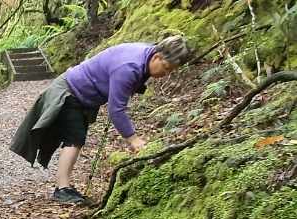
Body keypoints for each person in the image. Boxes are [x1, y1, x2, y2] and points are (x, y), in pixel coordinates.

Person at [10, 35, 192, 204]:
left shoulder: (144, 56)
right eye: (166, 68)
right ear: (157, 57)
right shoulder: (130, 66)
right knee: (75, 138)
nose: (166, 74)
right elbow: (116, 109)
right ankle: (62, 189)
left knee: (76, 138)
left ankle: (63, 186)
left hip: (79, 93)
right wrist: (133, 139)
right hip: (69, 91)